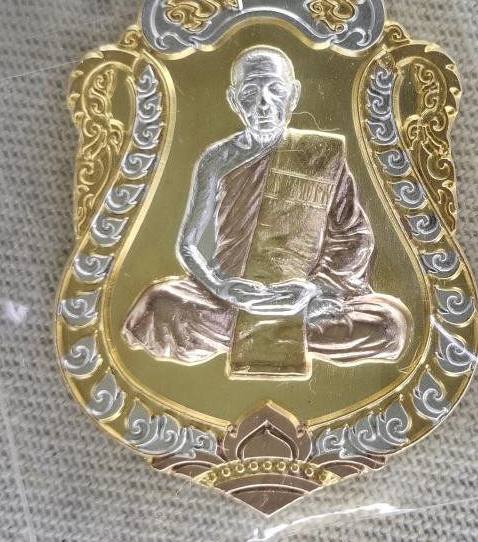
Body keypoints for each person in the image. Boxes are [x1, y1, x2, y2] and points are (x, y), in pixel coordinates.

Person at [122, 46, 410, 366]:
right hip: (232, 298)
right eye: (250, 93)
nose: (264, 103)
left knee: (390, 326)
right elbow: (188, 245)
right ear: (234, 100)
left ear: (293, 95)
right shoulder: (217, 160)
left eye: (275, 89)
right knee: (157, 304)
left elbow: (354, 236)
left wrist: (315, 290)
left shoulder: (321, 155)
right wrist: (222, 287)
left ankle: (256, 333)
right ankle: (269, 333)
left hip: (304, 299)